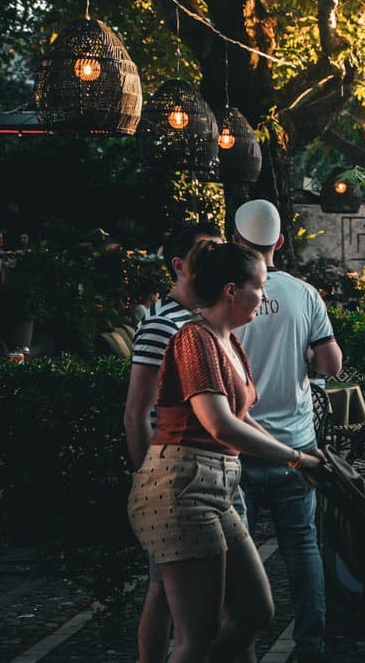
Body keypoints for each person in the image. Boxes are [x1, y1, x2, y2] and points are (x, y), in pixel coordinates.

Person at [126, 242, 322, 663]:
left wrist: (294, 451)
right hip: (182, 486)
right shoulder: (193, 339)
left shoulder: (229, 341)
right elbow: (219, 423)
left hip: (216, 484)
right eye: (261, 287)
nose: (266, 297)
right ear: (232, 291)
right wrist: (296, 458)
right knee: (198, 635)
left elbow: (242, 417)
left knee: (255, 610)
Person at [232, 200, 341, 663]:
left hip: (236, 444)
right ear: (279, 242)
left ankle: (241, 650)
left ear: (235, 241)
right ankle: (310, 649)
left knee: (238, 558)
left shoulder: (225, 294)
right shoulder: (304, 293)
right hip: (296, 445)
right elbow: (331, 365)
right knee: (302, 548)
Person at [122, 220, 224, 663]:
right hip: (174, 478)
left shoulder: (207, 317)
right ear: (180, 265)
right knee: (166, 589)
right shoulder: (161, 326)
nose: (217, 261)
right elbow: (135, 412)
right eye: (207, 252)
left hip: (206, 474)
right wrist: (150, 477)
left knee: (172, 590)